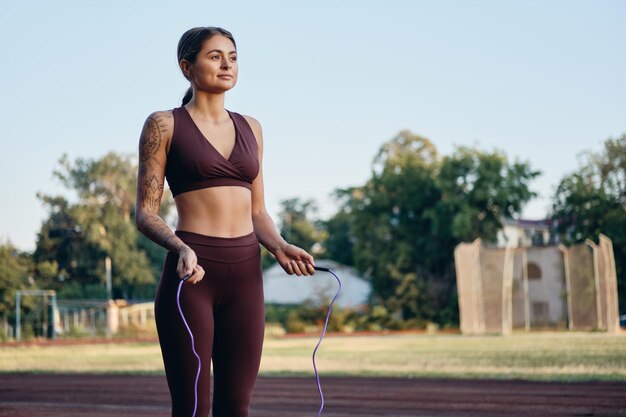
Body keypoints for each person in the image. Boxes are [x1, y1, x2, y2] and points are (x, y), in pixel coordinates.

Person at [135, 26, 316, 417]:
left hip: (247, 276)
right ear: (187, 67)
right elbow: (145, 213)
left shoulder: (252, 127)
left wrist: (279, 245)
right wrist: (180, 247)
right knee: (193, 408)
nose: (226, 64)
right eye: (214, 56)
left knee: (237, 406)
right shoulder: (164, 125)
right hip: (192, 275)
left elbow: (258, 211)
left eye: (232, 57)